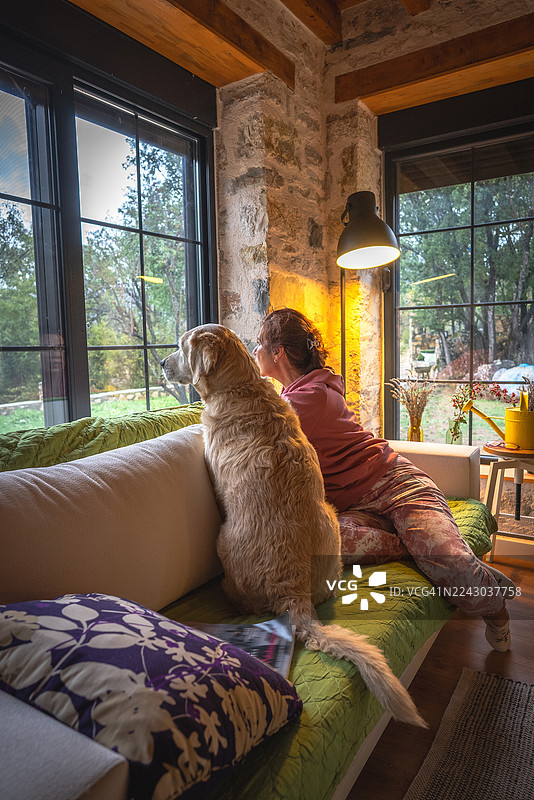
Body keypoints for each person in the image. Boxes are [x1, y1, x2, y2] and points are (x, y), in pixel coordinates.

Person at [253, 307, 514, 652]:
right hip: (353, 505)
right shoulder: (299, 393)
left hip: (396, 483)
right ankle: (419, 550)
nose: (254, 352)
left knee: (450, 566)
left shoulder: (306, 398)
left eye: (258, 344)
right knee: (317, 544)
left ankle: (497, 612)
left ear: (279, 352)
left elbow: (253, 438)